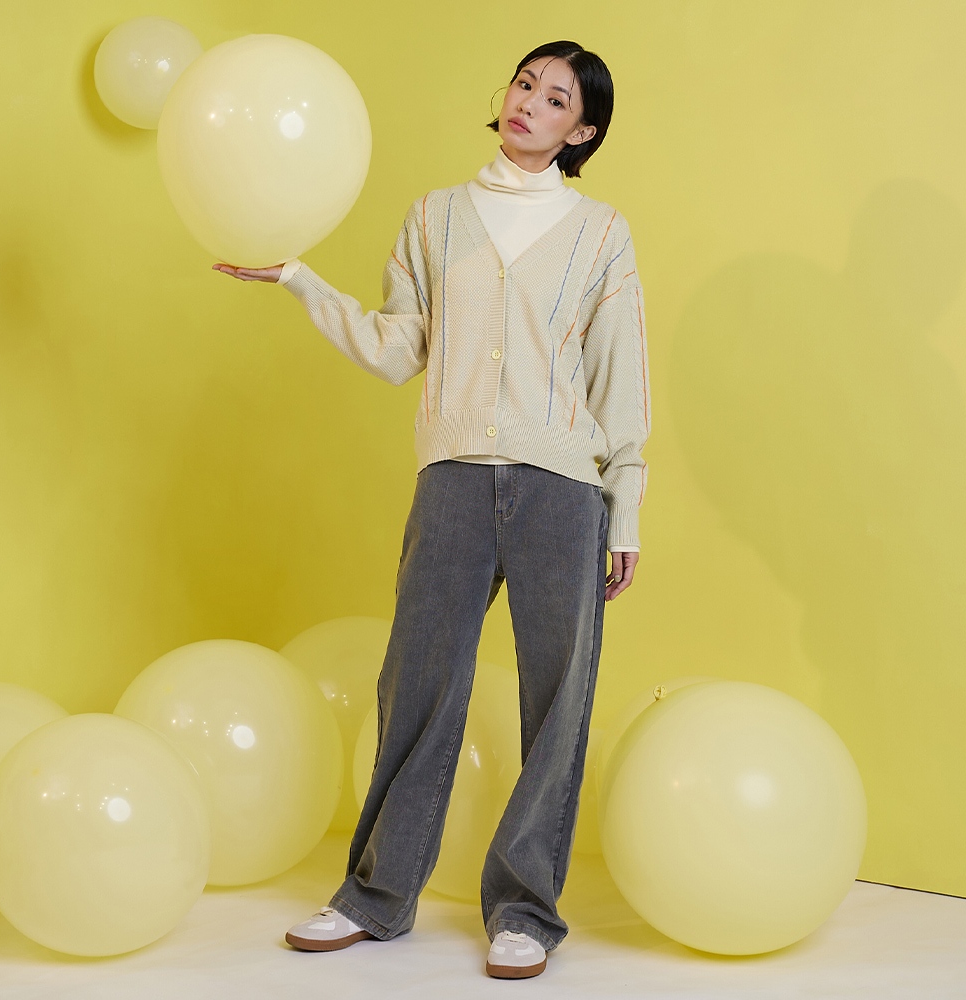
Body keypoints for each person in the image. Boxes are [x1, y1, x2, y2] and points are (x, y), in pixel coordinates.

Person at [214, 39, 650, 980]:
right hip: (452, 480)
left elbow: (620, 376)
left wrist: (627, 506)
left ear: (583, 132)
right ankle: (374, 896)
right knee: (416, 685)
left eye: (557, 99)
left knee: (557, 700)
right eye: (525, 83)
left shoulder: (601, 233)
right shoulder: (435, 218)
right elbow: (394, 348)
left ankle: (525, 910)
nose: (529, 102)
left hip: (563, 489)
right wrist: (298, 280)